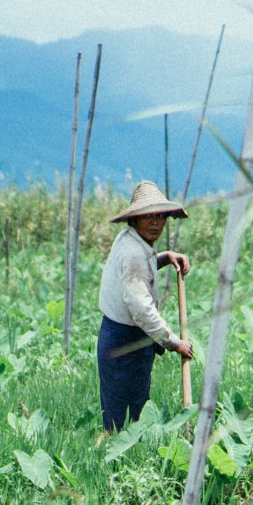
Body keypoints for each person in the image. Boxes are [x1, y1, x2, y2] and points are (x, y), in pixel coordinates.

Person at [97, 180, 195, 431]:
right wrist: (174, 343)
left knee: (135, 405)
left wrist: (165, 257)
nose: (156, 222)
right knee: (122, 413)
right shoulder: (133, 254)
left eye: (160, 216)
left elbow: (142, 270)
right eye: (148, 216)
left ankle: (129, 457)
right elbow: (141, 309)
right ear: (134, 219)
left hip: (122, 335)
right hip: (125, 339)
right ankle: (116, 461)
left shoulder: (132, 241)